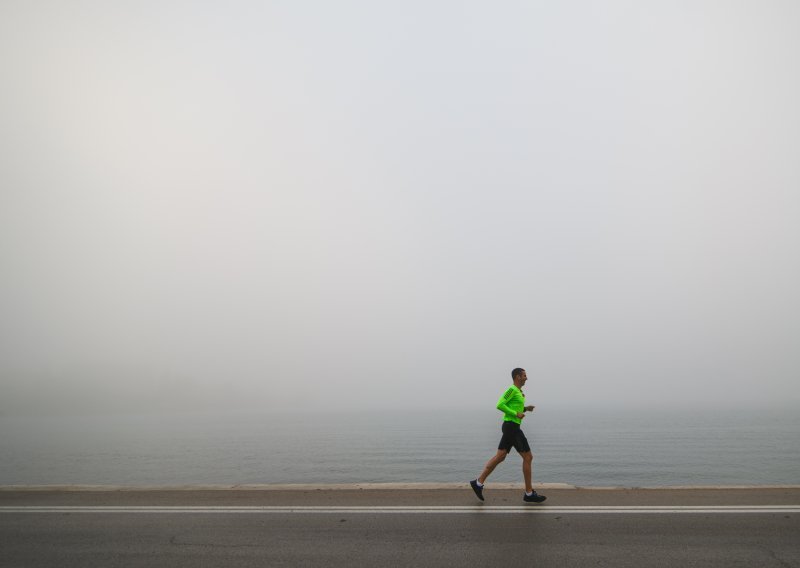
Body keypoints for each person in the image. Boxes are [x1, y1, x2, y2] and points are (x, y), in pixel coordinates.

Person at [470, 368, 546, 503]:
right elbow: (500, 405)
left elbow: (512, 406)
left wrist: (525, 409)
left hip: (511, 426)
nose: (526, 378)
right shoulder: (512, 390)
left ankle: (478, 483)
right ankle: (529, 493)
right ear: (517, 377)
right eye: (524, 375)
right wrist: (516, 414)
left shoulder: (518, 392)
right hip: (512, 427)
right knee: (528, 457)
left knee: (500, 456)